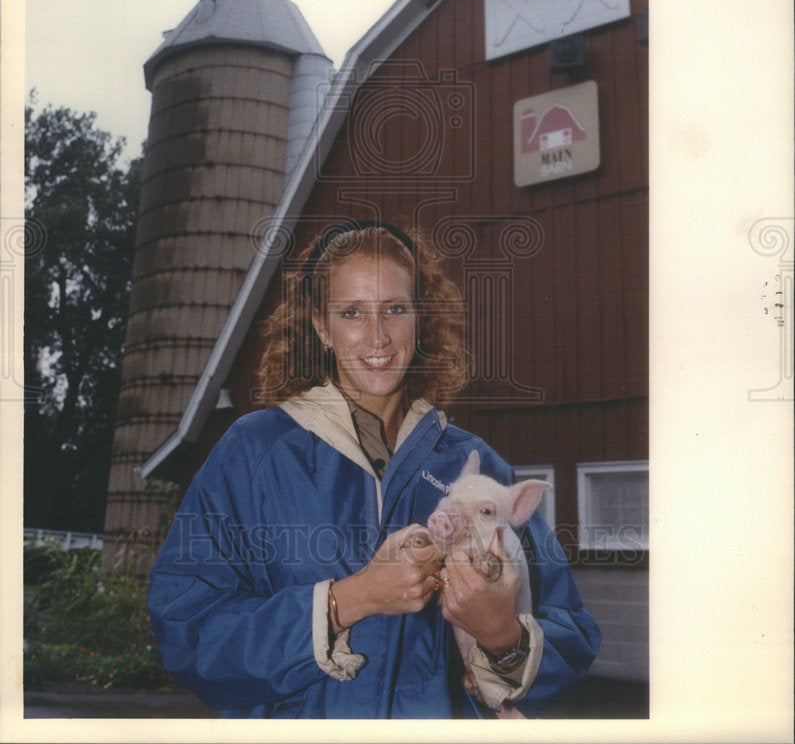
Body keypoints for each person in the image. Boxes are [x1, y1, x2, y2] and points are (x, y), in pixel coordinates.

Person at [148, 219, 600, 718]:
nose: (378, 337)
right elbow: (187, 631)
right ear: (322, 326)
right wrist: (349, 600)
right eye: (352, 313)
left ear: (420, 319)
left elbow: (571, 630)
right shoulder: (254, 452)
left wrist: (502, 636)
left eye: (395, 310)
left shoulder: (477, 469)